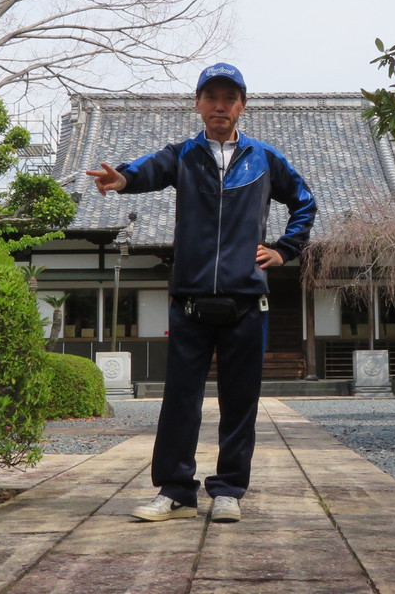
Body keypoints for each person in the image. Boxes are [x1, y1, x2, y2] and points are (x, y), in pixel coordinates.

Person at [86, 62, 316, 524]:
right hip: (190, 301)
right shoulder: (184, 155)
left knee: (240, 400)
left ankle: (229, 488)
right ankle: (174, 490)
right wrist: (121, 179)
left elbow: (304, 201)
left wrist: (284, 250)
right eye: (211, 97)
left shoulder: (264, 158)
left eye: (229, 98)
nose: (220, 106)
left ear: (242, 107)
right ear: (197, 103)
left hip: (246, 302)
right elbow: (145, 171)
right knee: (180, 401)